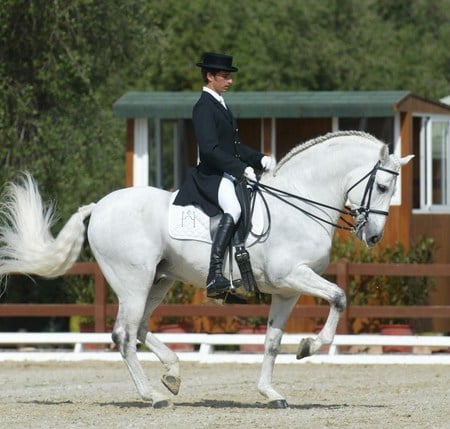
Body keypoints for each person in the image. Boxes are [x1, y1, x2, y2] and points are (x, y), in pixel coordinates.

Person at [174, 52, 275, 299]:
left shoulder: (221, 105)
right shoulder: (203, 107)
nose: (230, 81)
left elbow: (234, 145)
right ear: (210, 76)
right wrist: (240, 169)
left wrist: (258, 158)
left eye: (230, 76)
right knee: (235, 208)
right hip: (211, 176)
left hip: (226, 173)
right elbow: (209, 150)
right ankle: (214, 274)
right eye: (225, 76)